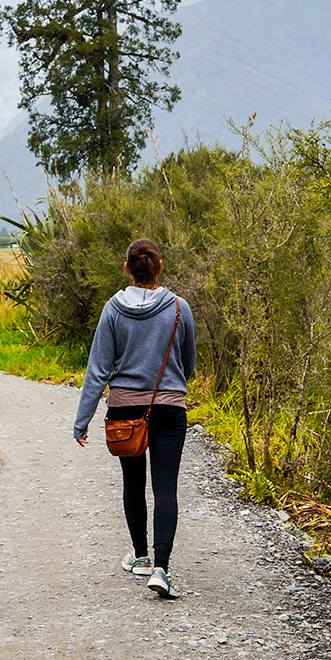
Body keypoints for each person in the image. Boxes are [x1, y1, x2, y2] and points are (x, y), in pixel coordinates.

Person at [73, 238, 196, 598]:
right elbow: (187, 361)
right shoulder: (179, 308)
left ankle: (140, 557)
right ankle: (161, 569)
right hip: (169, 407)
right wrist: (173, 386)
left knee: (133, 482)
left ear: (127, 268)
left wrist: (82, 420)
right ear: (159, 267)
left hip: (124, 409)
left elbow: (98, 370)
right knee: (165, 487)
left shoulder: (112, 310)